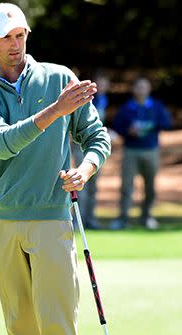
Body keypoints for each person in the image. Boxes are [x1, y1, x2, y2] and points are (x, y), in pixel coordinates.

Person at [0, 3, 111, 335]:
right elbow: (1, 144)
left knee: (58, 323)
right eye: (6, 39)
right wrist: (54, 111)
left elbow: (97, 137)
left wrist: (85, 170)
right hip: (5, 218)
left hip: (51, 215)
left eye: (20, 36)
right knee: (20, 327)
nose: (15, 45)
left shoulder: (60, 78)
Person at [110, 77, 172, 230]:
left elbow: (166, 123)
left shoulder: (156, 106)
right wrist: (128, 131)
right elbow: (117, 127)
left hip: (151, 150)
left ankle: (147, 216)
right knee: (127, 186)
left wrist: (151, 125)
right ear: (134, 89)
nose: (141, 90)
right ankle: (123, 218)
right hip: (131, 150)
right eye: (139, 87)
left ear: (149, 89)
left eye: (144, 87)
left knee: (150, 186)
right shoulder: (127, 108)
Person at [70, 73, 110, 229]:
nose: (102, 86)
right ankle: (79, 219)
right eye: (100, 82)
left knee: (93, 186)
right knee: (81, 183)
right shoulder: (84, 98)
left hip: (94, 147)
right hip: (80, 146)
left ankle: (91, 218)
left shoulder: (103, 100)